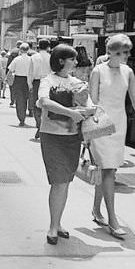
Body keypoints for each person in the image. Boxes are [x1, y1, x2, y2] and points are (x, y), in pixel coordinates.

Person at [88, 34, 135, 239]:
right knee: (108, 170)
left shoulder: (128, 72)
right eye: (122, 52)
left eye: (127, 52)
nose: (125, 56)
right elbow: (92, 100)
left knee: (106, 169)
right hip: (101, 122)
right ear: (111, 52)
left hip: (119, 123)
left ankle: (97, 210)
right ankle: (113, 219)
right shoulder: (98, 71)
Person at [37, 44, 95, 245]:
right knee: (58, 181)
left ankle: (58, 223)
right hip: (52, 136)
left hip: (72, 137)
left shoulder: (78, 82)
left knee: (65, 182)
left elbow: (88, 106)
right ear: (61, 60)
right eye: (72, 59)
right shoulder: (48, 80)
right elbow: (44, 102)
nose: (76, 62)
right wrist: (71, 113)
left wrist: (92, 112)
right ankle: (53, 226)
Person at [28, 39, 51, 139]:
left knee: (36, 105)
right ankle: (43, 126)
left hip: (37, 82)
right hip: (48, 82)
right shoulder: (51, 57)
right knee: (46, 105)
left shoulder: (34, 57)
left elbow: (30, 72)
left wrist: (30, 85)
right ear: (48, 47)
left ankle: (39, 124)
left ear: (38, 46)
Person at [7, 42, 32, 126]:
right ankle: (28, 111)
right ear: (28, 50)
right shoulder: (31, 60)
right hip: (28, 80)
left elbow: (10, 70)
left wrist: (7, 79)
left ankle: (21, 118)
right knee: (26, 99)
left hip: (18, 80)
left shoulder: (17, 59)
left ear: (20, 50)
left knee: (19, 100)